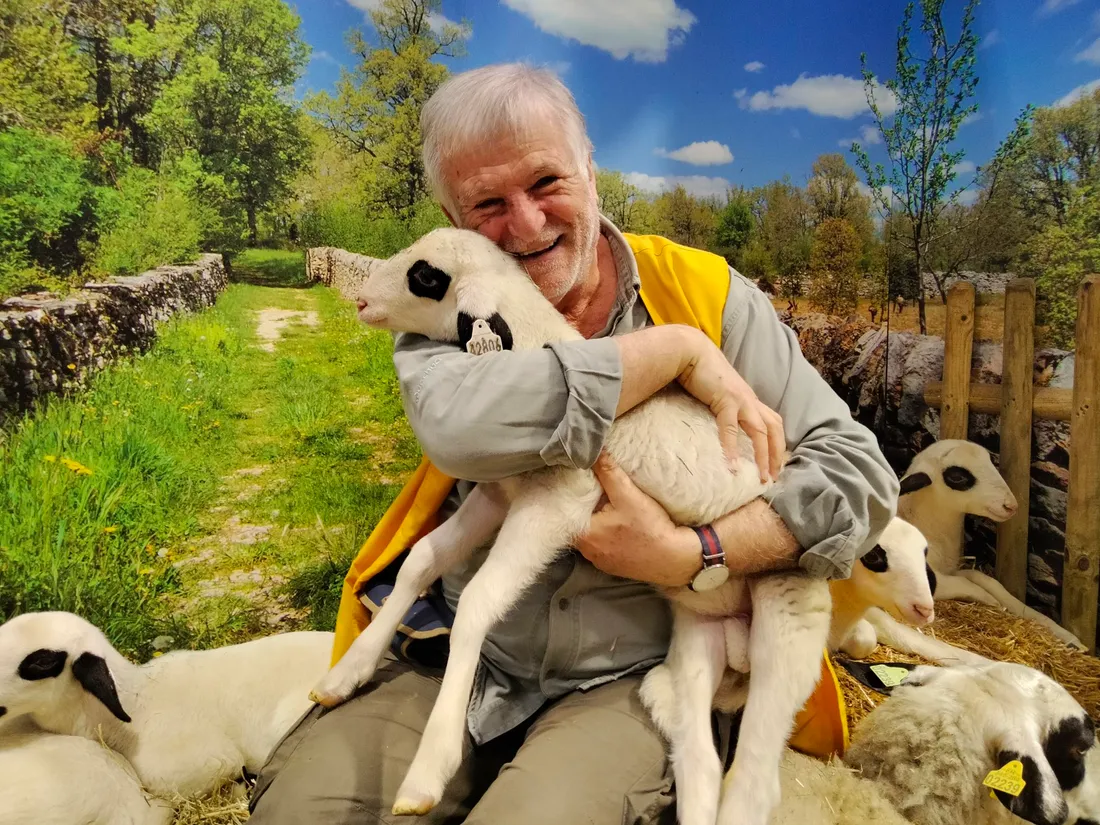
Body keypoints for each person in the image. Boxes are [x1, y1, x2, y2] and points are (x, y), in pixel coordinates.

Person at [248, 63, 899, 825]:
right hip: (460, 653)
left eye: (547, 181)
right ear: (452, 218)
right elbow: (459, 428)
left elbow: (858, 474)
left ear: (592, 170)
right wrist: (676, 354)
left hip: (627, 676)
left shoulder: (707, 291)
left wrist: (700, 553)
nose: (524, 224)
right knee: (302, 810)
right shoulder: (445, 298)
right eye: (487, 203)